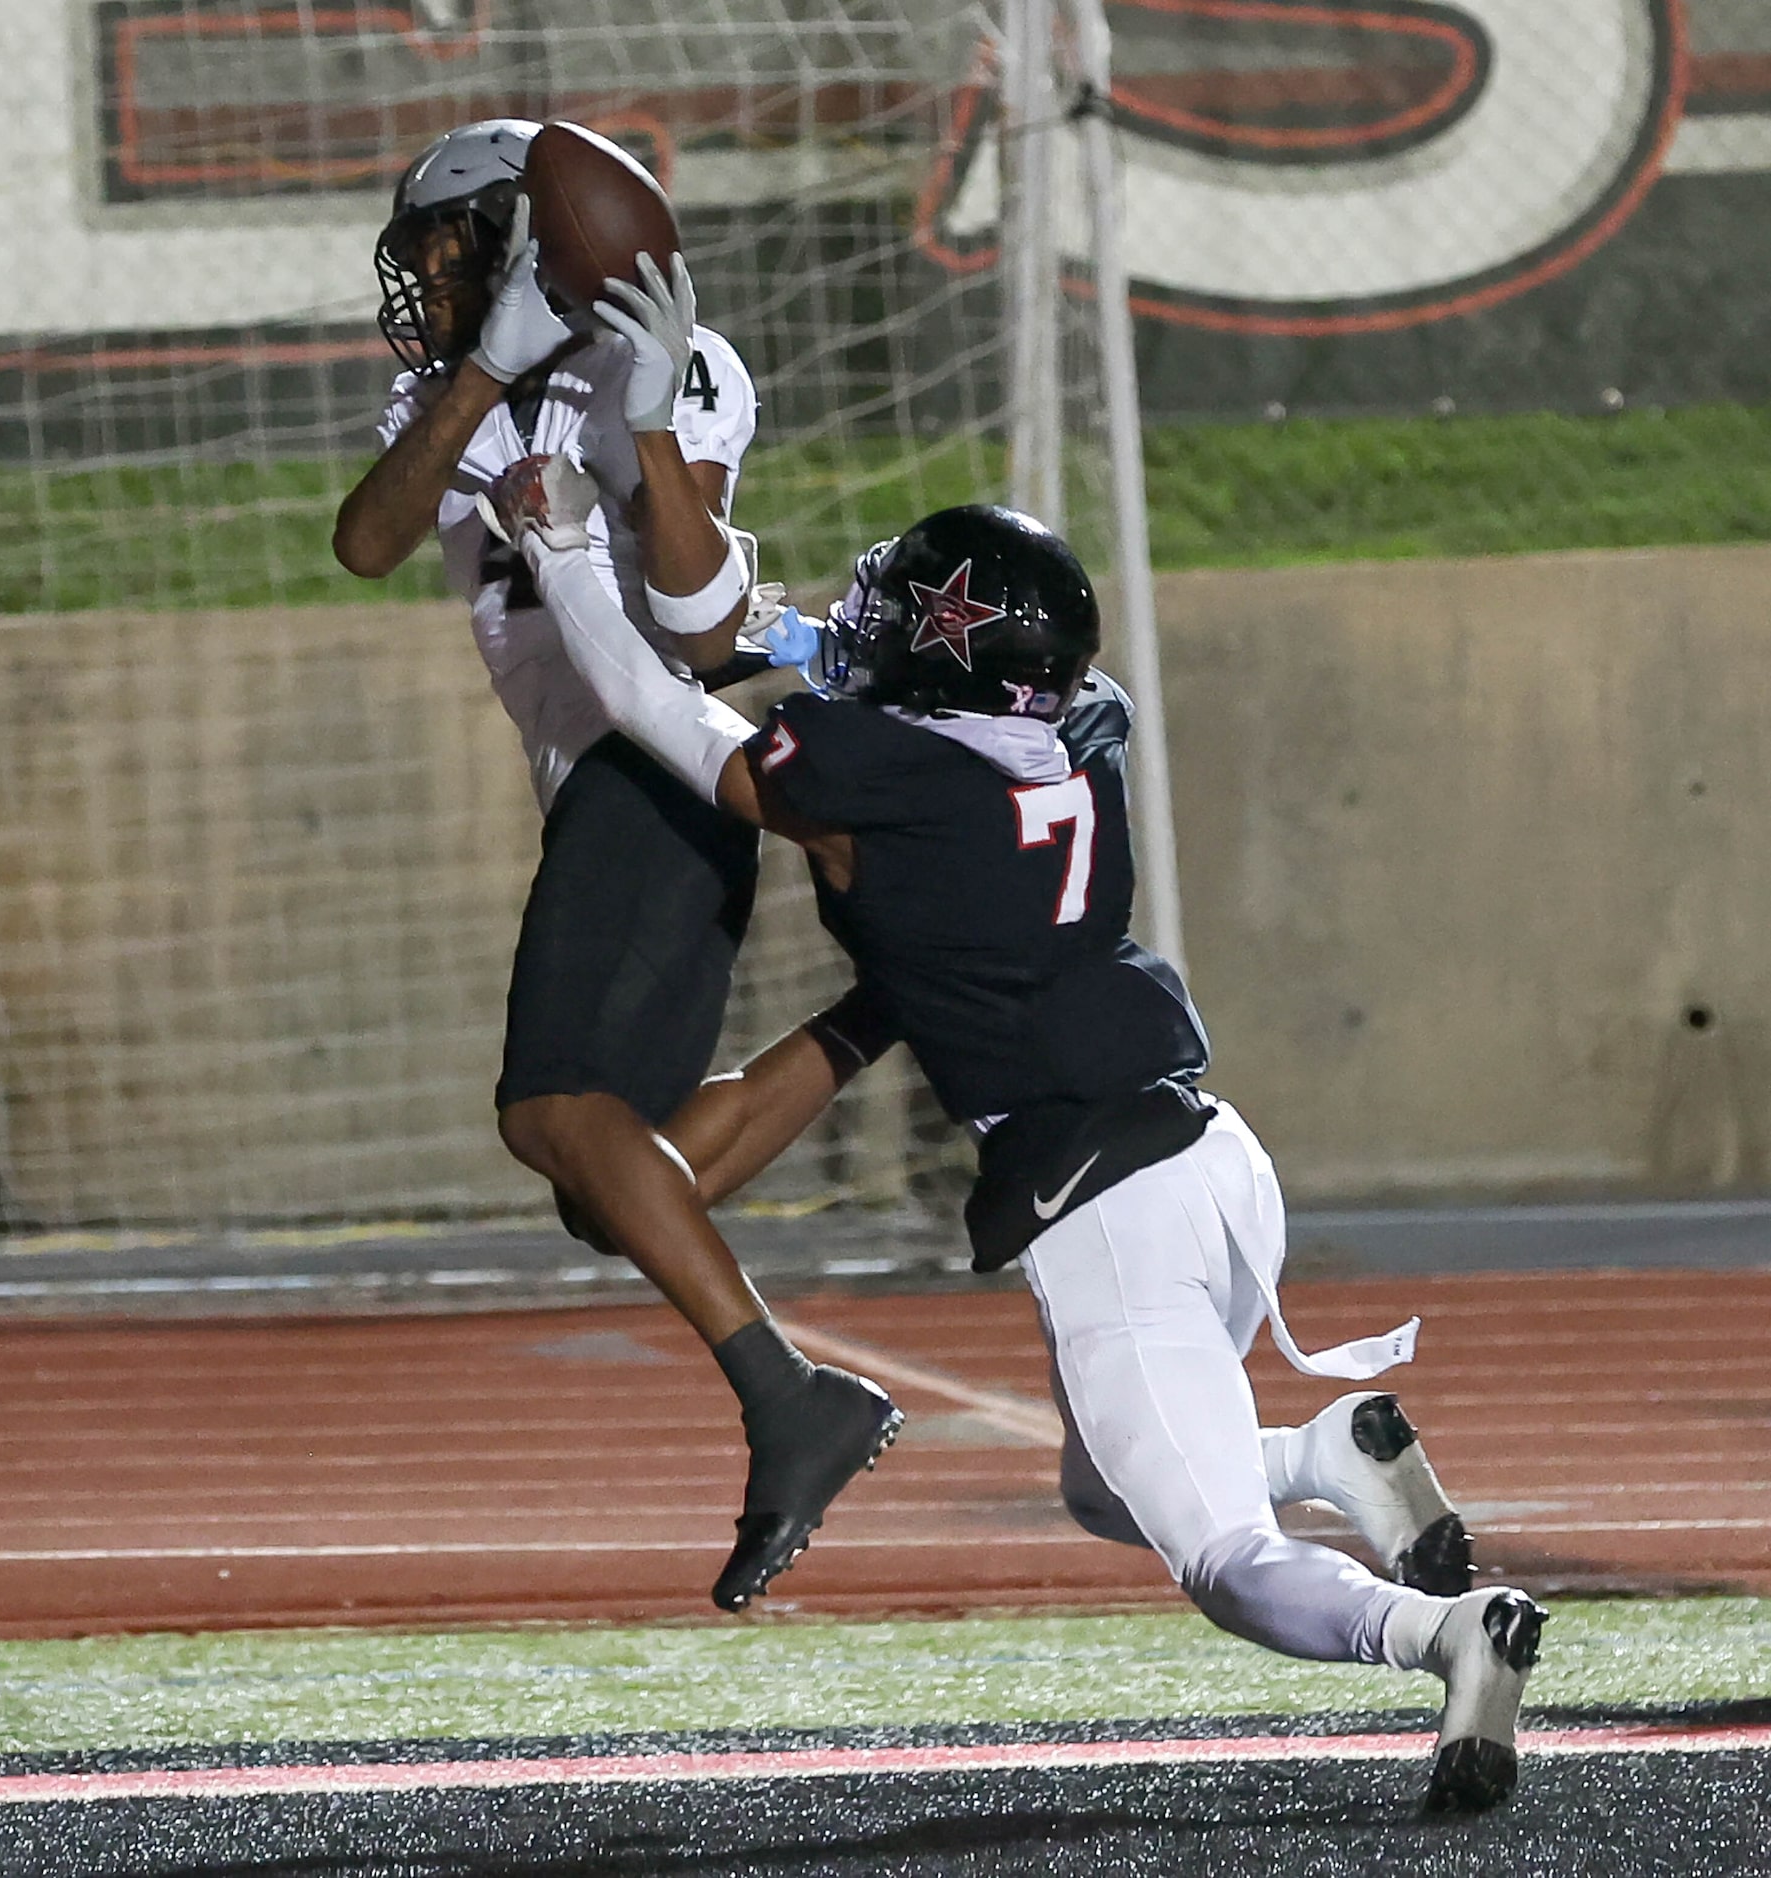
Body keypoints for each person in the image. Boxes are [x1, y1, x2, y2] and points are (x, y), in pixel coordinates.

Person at [477, 454, 1549, 1816]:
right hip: (1211, 1153)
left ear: (945, 648)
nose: (870, 616)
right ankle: (1329, 1453)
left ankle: (1446, 1634)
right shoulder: (1076, 725)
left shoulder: (882, 780)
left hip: (1104, 1201)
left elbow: (651, 708)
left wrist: (564, 550)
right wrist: (796, 633)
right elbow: (893, 692)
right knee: (1106, 1487)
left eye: (904, 602)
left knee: (1220, 1559)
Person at [331, 120, 902, 1610]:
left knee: (547, 1112)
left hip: (656, 767)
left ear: (504, 233)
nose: (422, 276)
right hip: (602, 790)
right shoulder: (438, 391)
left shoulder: (682, 362)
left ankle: (787, 1394)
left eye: (441, 244)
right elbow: (366, 539)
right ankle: (883, 1007)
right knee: (613, 1179)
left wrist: (641, 418)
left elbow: (709, 620)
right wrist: (486, 365)